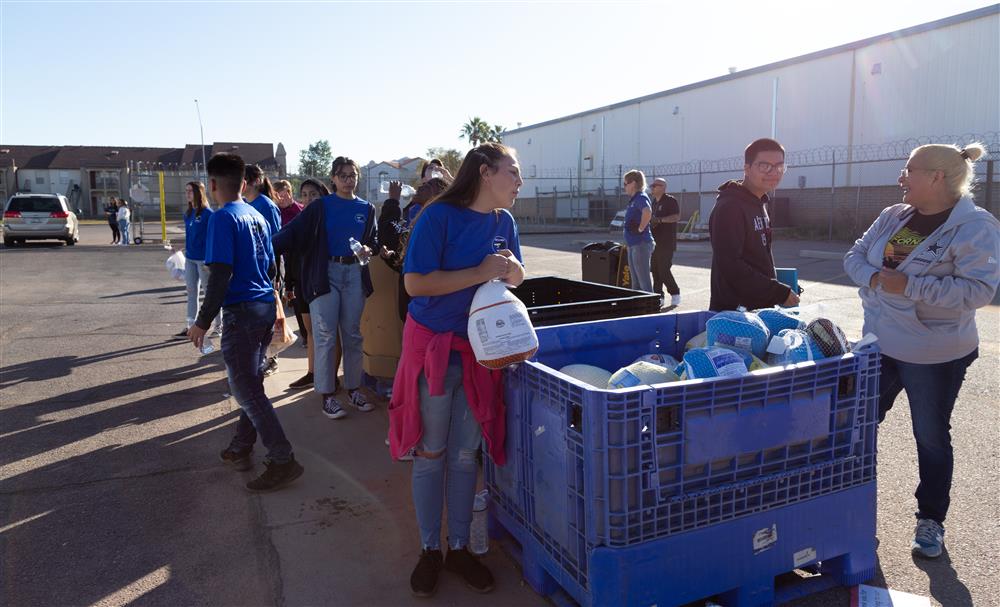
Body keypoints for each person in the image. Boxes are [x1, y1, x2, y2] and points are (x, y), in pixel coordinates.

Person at [844, 142, 998, 559]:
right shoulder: (897, 216)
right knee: (856, 427)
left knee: (929, 436)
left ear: (936, 177)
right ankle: (852, 508)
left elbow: (978, 291)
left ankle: (931, 519)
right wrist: (879, 282)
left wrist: (908, 287)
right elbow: (856, 258)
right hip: (878, 344)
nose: (900, 177)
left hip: (933, 353)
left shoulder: (975, 226)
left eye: (908, 169)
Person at [388, 142, 525, 598]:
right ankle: (430, 550)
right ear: (485, 173)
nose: (519, 182)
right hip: (434, 349)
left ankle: (460, 547)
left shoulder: (505, 222)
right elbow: (414, 283)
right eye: (513, 172)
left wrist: (509, 272)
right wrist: (480, 270)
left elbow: (516, 275)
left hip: (480, 351)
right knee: (431, 452)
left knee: (467, 454)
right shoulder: (437, 216)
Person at [188, 152, 303, 492]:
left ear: (211, 185)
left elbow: (219, 275)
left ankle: (282, 459)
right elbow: (270, 267)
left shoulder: (222, 219)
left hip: (241, 310)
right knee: (251, 383)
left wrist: (202, 321)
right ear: (243, 182)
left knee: (246, 389)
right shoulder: (256, 214)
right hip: (263, 306)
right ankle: (241, 444)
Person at [272, 157, 378, 419]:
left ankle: (354, 389)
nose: (348, 180)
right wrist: (260, 250)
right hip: (325, 274)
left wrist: (370, 248)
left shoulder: (366, 208)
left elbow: (373, 239)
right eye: (342, 175)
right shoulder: (320, 206)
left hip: (354, 272)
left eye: (352, 175)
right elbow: (291, 233)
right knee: (325, 336)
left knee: (353, 334)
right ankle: (327, 395)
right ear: (333, 178)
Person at [708, 138, 799, 311]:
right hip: (735, 312)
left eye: (779, 166)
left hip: (758, 307)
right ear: (747, 168)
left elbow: (758, 257)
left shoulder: (760, 203)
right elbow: (730, 264)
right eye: (764, 166)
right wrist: (778, 292)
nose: (773, 172)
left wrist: (776, 288)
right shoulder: (730, 207)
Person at [285, 178, 330, 390]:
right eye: (304, 194)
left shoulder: (329, 219)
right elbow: (290, 254)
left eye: (313, 194)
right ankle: (312, 373)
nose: (308, 198)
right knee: (310, 331)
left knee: (326, 333)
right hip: (302, 282)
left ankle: (328, 376)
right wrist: (289, 284)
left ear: (322, 195)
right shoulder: (299, 219)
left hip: (322, 282)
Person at [243, 164, 283, 376]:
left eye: (246, 180)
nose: (242, 185)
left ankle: (271, 359)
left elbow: (275, 241)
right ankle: (259, 357)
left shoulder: (266, 206)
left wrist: (275, 274)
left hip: (266, 271)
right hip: (251, 270)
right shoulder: (244, 204)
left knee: (268, 318)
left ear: (256, 180)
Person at [175, 181, 219, 338]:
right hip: (190, 259)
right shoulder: (188, 213)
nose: (187, 194)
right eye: (186, 191)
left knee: (210, 294)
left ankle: (218, 326)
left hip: (204, 260)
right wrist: (182, 248)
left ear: (199, 193)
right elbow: (191, 235)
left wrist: (210, 260)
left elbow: (213, 238)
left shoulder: (208, 214)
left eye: (190, 191)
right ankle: (189, 326)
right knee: (191, 292)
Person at [649, 177, 681, 307]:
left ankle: (675, 293)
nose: (652, 188)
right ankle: (658, 296)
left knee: (663, 270)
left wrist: (660, 220)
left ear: (662, 187)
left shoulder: (670, 200)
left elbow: (676, 217)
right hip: (654, 242)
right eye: (652, 186)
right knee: (655, 271)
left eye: (655, 186)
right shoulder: (653, 203)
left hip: (666, 242)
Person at [621, 169, 654, 293]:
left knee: (644, 283)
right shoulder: (634, 200)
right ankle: (639, 309)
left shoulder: (640, 197)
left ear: (633, 183)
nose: (624, 187)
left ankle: (650, 310)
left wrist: (640, 228)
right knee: (635, 284)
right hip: (633, 245)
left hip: (640, 244)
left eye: (625, 183)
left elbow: (647, 211)